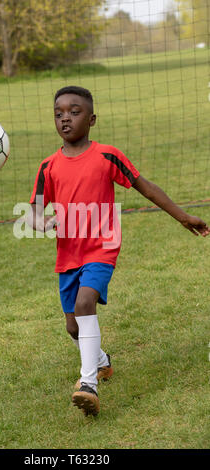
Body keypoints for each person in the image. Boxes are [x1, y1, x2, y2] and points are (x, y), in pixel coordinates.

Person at [27, 85, 210, 417]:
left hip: (102, 247)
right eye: (59, 113)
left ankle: (88, 385)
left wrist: (183, 217)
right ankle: (101, 362)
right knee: (73, 327)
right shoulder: (48, 166)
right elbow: (35, 211)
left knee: (85, 304)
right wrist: (42, 222)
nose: (65, 118)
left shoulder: (107, 155)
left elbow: (146, 187)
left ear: (92, 119)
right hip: (68, 255)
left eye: (74, 111)